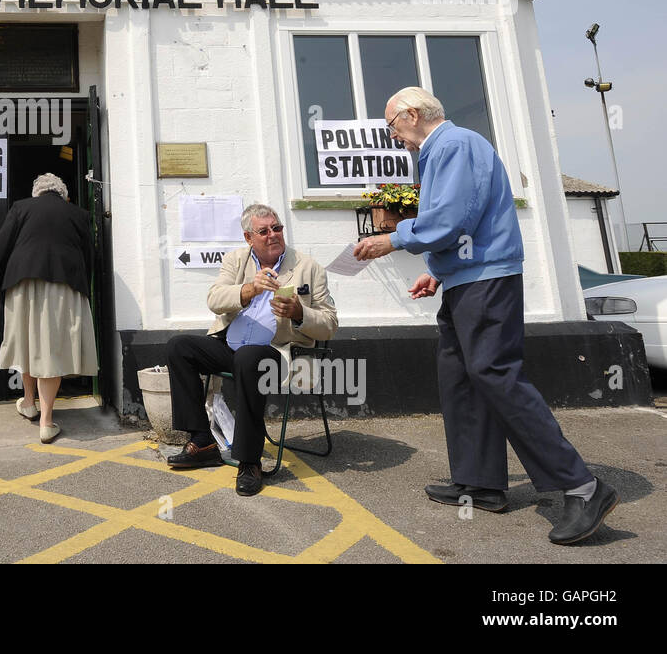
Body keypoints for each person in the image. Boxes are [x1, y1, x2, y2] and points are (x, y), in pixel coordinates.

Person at [354, 86, 618, 545]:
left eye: (392, 126)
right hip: (466, 280)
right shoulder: (443, 150)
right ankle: (480, 483)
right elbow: (460, 223)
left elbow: (451, 216)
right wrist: (438, 273)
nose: (395, 137)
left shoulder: (454, 144)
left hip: (486, 282)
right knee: (460, 378)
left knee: (495, 374)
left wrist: (393, 238)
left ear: (412, 115)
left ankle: (583, 487)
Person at [164, 204, 337, 495]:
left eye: (277, 228)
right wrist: (249, 289)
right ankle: (203, 440)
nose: (273, 235)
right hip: (230, 347)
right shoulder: (236, 260)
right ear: (248, 237)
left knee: (248, 357)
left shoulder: (308, 267)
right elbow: (215, 299)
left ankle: (249, 460)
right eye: (264, 231)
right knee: (179, 346)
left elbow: (330, 323)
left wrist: (299, 313)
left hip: (279, 353)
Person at [0, 173, 97, 443]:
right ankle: (40, 415)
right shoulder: (77, 214)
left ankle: (36, 410)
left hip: (22, 284)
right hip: (64, 285)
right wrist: (85, 287)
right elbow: (89, 254)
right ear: (62, 193)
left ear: (37, 192)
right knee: (51, 349)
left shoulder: (21, 208)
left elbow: (0, 249)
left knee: (28, 344)